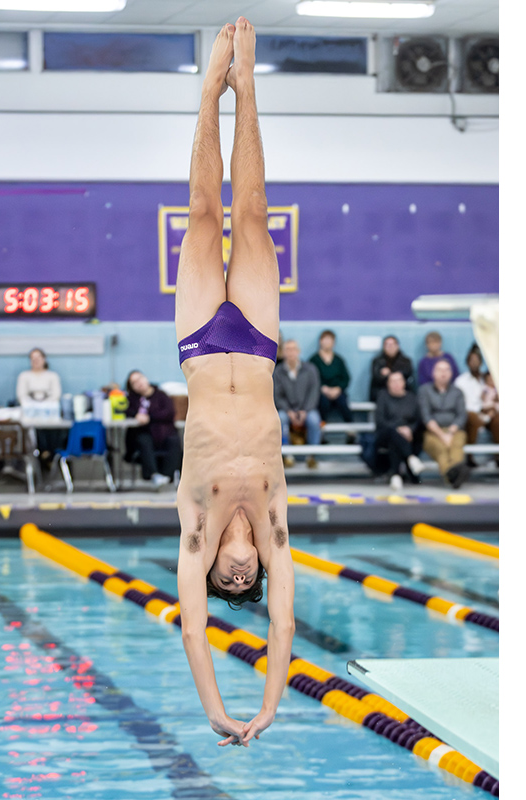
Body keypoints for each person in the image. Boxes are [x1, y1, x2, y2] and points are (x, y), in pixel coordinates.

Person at [173, 18, 294, 751]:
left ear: (217, 564)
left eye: (234, 579)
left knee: (201, 215)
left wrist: (216, 708)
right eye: (252, 578)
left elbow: (193, 627)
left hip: (198, 344)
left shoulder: (194, 527)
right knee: (250, 213)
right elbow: (281, 622)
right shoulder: (276, 525)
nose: (246, 573)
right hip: (255, 347)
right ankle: (245, 84)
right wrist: (270, 705)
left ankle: (205, 94)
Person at [125, 370, 181, 489]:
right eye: (134, 382)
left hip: (165, 433)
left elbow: (169, 413)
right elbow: (127, 412)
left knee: (174, 440)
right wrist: (136, 415)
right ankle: (154, 475)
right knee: (143, 440)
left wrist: (149, 417)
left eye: (139, 378)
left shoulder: (161, 395)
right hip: (146, 434)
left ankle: (167, 475)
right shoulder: (132, 400)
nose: (138, 383)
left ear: (145, 378)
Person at [418, 359, 469, 488]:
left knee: (456, 446)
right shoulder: (424, 390)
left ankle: (453, 475)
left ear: (451, 373)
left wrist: (451, 432)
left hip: (455, 430)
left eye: (447, 370)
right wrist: (442, 435)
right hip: (433, 431)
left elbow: (461, 415)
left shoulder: (458, 392)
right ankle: (453, 475)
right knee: (441, 448)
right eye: (440, 370)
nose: (443, 373)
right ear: (433, 373)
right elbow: (426, 416)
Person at [274, 339, 322, 469]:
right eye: (287, 349)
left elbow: (314, 392)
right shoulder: (278, 372)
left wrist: (305, 410)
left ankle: (312, 456)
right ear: (283, 353)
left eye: (293, 349)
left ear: (298, 351)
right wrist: (288, 411)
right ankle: (287, 455)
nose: (291, 352)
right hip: (287, 410)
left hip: (307, 409)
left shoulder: (310, 369)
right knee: (281, 419)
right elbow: (277, 395)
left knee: (314, 420)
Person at [375, 370, 425, 493]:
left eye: (399, 380)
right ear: (388, 383)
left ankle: (396, 475)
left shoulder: (412, 397)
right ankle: (410, 458)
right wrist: (399, 429)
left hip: (407, 435)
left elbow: (418, 419)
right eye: (393, 381)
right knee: (393, 434)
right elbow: (380, 421)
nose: (396, 384)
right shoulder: (383, 396)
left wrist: (409, 429)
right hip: (386, 433)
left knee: (396, 441)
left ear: (404, 382)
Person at [15, 348, 66, 467]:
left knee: (53, 428)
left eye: (38, 358)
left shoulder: (52, 376)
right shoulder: (24, 376)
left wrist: (43, 406)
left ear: (44, 359)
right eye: (33, 358)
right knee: (36, 429)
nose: (36, 361)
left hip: (49, 413)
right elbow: (21, 396)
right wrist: (34, 406)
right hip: (30, 414)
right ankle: (42, 454)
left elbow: (56, 395)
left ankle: (50, 455)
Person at [454, 345, 499, 461]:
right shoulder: (461, 381)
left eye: (477, 360)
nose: (474, 363)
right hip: (471, 414)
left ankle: (499, 458)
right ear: (467, 362)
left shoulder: (488, 379)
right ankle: (470, 457)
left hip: (488, 412)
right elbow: (460, 403)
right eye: (471, 360)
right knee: (472, 418)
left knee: (499, 420)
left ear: (481, 362)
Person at [309, 330, 352, 424]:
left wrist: (338, 388)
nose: (328, 342)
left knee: (343, 403)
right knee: (323, 404)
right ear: (320, 341)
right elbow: (311, 379)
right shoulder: (314, 360)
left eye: (330, 340)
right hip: (321, 392)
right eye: (325, 339)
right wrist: (323, 388)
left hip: (337, 391)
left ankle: (350, 431)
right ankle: (322, 430)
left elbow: (346, 378)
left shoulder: (339, 360)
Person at [368, 335, 414, 400]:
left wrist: (389, 373)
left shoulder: (406, 361)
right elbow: (376, 377)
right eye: (387, 345)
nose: (390, 347)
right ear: (383, 347)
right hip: (382, 393)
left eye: (392, 344)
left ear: (397, 346)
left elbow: (407, 374)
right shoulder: (377, 361)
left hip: (402, 394)